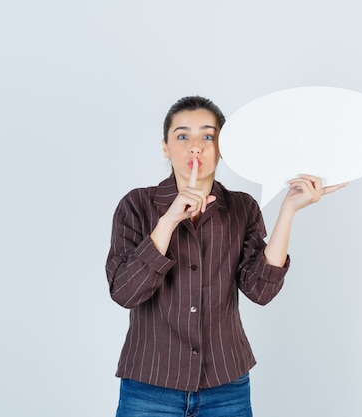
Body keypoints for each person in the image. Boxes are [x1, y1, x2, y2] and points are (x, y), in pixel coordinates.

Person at [106, 96, 347, 416]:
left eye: (208, 135)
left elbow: (260, 290)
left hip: (226, 388)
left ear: (222, 146)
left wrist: (288, 209)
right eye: (182, 136)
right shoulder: (136, 205)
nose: (195, 147)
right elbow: (125, 292)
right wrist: (168, 221)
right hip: (150, 387)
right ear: (165, 147)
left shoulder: (242, 207)